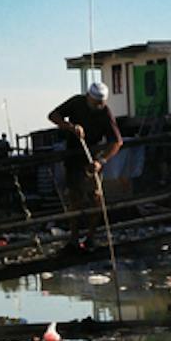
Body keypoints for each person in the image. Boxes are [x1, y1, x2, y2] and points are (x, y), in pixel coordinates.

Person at [49, 80, 122, 249]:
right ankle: (74, 239)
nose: (98, 106)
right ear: (89, 97)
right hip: (74, 157)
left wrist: (101, 161)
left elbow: (116, 142)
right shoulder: (77, 102)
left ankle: (90, 238)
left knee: (95, 199)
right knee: (74, 199)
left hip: (92, 160)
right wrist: (70, 126)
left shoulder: (105, 113)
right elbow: (53, 115)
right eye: (95, 103)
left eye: (101, 103)